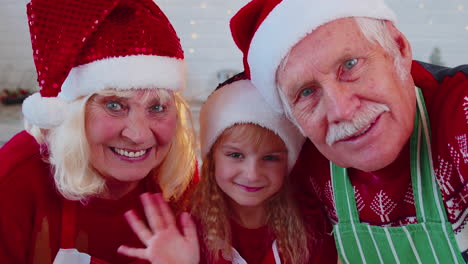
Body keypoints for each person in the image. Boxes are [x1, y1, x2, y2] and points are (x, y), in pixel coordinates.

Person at [229, 0, 468, 263]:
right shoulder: (307, 173)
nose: (341, 111)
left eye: (351, 65)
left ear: (398, 48)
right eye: (306, 92)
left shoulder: (461, 112)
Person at [0, 0, 197, 263]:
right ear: (73, 113)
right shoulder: (17, 177)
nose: (138, 135)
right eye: (114, 105)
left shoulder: (182, 179)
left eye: (158, 107)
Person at [117, 74, 338, 263]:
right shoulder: (183, 231)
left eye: (270, 158)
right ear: (211, 158)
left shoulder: (311, 226)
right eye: (235, 155)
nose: (252, 174)